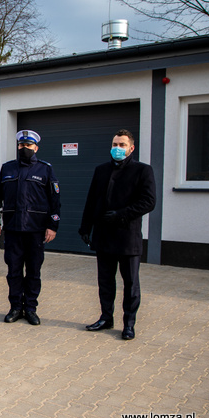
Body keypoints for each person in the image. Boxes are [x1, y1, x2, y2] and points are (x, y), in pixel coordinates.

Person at [79, 129, 156, 340]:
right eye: (115, 144)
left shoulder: (143, 171)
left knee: (131, 284)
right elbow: (92, 200)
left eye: (122, 145)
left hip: (127, 237)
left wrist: (122, 214)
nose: (117, 148)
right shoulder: (101, 170)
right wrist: (85, 227)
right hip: (104, 236)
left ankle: (129, 325)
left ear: (131, 148)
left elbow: (149, 201)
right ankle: (106, 318)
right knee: (105, 281)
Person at [0, 130, 61, 326]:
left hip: (36, 232)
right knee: (13, 271)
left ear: (36, 148)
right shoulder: (7, 169)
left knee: (33, 272)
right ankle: (15, 308)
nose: (24, 149)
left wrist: (52, 226)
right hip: (13, 231)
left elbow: (55, 201)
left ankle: (30, 308)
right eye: (21, 145)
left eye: (28, 146)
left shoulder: (45, 170)